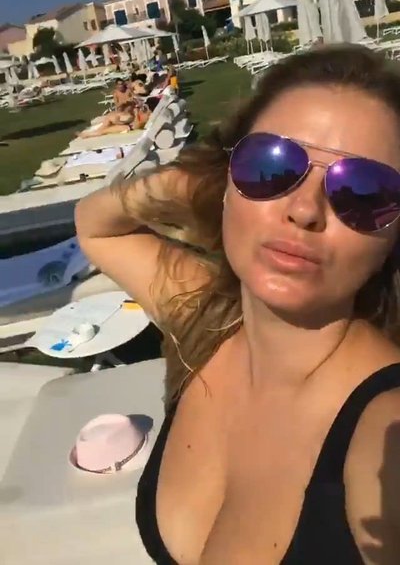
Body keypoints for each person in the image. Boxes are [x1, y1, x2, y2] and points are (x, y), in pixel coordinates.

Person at [75, 45, 400, 564]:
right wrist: (191, 182)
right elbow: (95, 227)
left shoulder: (385, 434)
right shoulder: (209, 320)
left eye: (362, 191)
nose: (304, 210)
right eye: (270, 166)